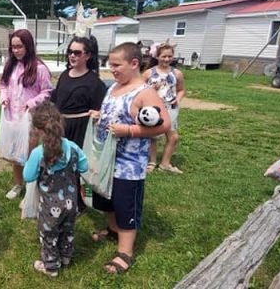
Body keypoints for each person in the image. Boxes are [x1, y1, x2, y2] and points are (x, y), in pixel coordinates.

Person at [89, 42, 170, 274]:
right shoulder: (114, 87)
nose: (111, 69)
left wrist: (130, 131)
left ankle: (125, 252)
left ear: (134, 63)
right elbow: (111, 113)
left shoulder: (145, 93)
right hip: (106, 160)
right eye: (110, 64)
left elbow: (165, 124)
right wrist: (99, 116)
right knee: (107, 199)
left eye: (116, 65)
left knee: (125, 205)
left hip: (128, 165)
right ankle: (113, 230)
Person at [23, 102, 88, 277]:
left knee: (49, 234)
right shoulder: (72, 146)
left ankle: (50, 266)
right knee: (67, 230)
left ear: (38, 129)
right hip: (71, 203)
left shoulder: (39, 153)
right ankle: (66, 257)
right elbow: (84, 166)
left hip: (50, 206)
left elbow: (28, 177)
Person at [51, 36, 106, 212]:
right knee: (60, 162)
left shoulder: (94, 82)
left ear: (88, 56)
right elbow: (56, 100)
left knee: (80, 166)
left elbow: (101, 109)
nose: (72, 56)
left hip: (81, 129)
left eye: (77, 52)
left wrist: (97, 114)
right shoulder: (65, 76)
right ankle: (61, 194)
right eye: (69, 52)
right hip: (61, 126)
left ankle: (82, 200)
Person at [0, 29, 53, 200]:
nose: (15, 51)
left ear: (28, 46)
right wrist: (4, 97)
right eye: (13, 47)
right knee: (15, 154)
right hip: (12, 118)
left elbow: (48, 91)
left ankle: (32, 189)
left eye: (19, 47)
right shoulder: (11, 66)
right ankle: (18, 185)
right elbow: (3, 84)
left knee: (30, 155)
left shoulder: (39, 69)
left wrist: (31, 103)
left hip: (30, 120)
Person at [142, 41, 186, 174]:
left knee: (173, 137)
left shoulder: (177, 73)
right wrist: (151, 89)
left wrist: (177, 100)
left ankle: (165, 163)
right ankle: (151, 162)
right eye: (164, 56)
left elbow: (181, 90)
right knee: (153, 137)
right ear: (157, 56)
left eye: (169, 56)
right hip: (154, 108)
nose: (167, 59)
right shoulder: (149, 73)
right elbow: (139, 90)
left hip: (170, 108)